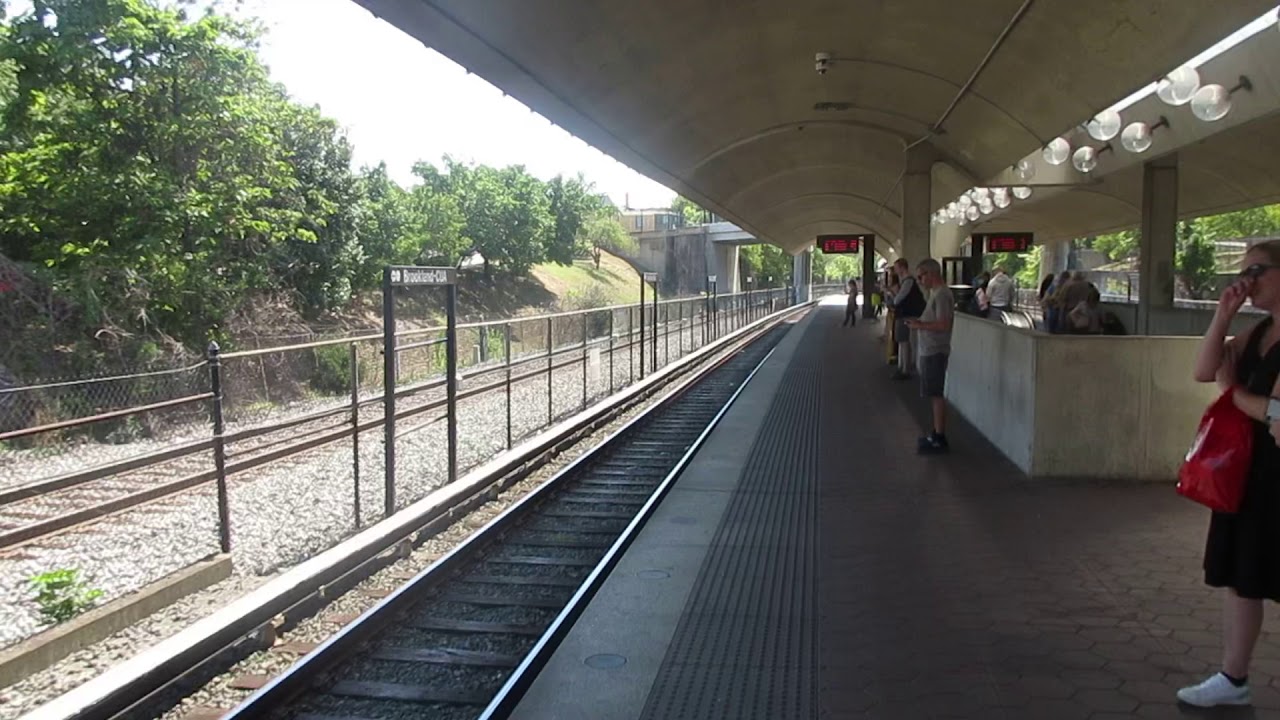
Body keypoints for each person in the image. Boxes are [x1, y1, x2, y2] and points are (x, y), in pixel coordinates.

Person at [1178, 239, 1280, 708]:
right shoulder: (1259, 334)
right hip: (1253, 473)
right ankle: (1233, 677)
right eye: (1245, 271)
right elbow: (1204, 370)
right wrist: (1223, 314)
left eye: (1258, 270)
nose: (1248, 280)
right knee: (1244, 576)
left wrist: (1232, 392)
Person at [905, 258, 954, 454]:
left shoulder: (942, 295)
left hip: (936, 350)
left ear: (930, 273)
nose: (919, 281)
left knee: (936, 394)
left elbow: (944, 325)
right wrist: (920, 322)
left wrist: (919, 326)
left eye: (920, 276)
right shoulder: (935, 293)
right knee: (933, 394)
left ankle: (939, 437)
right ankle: (935, 433)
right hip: (930, 350)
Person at [889, 259, 925, 380]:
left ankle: (905, 369)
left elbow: (898, 299)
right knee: (903, 341)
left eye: (897, 268)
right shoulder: (907, 281)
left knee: (904, 341)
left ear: (903, 268)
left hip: (906, 314)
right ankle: (903, 366)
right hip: (906, 314)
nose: (895, 271)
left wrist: (892, 292)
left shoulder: (908, 282)